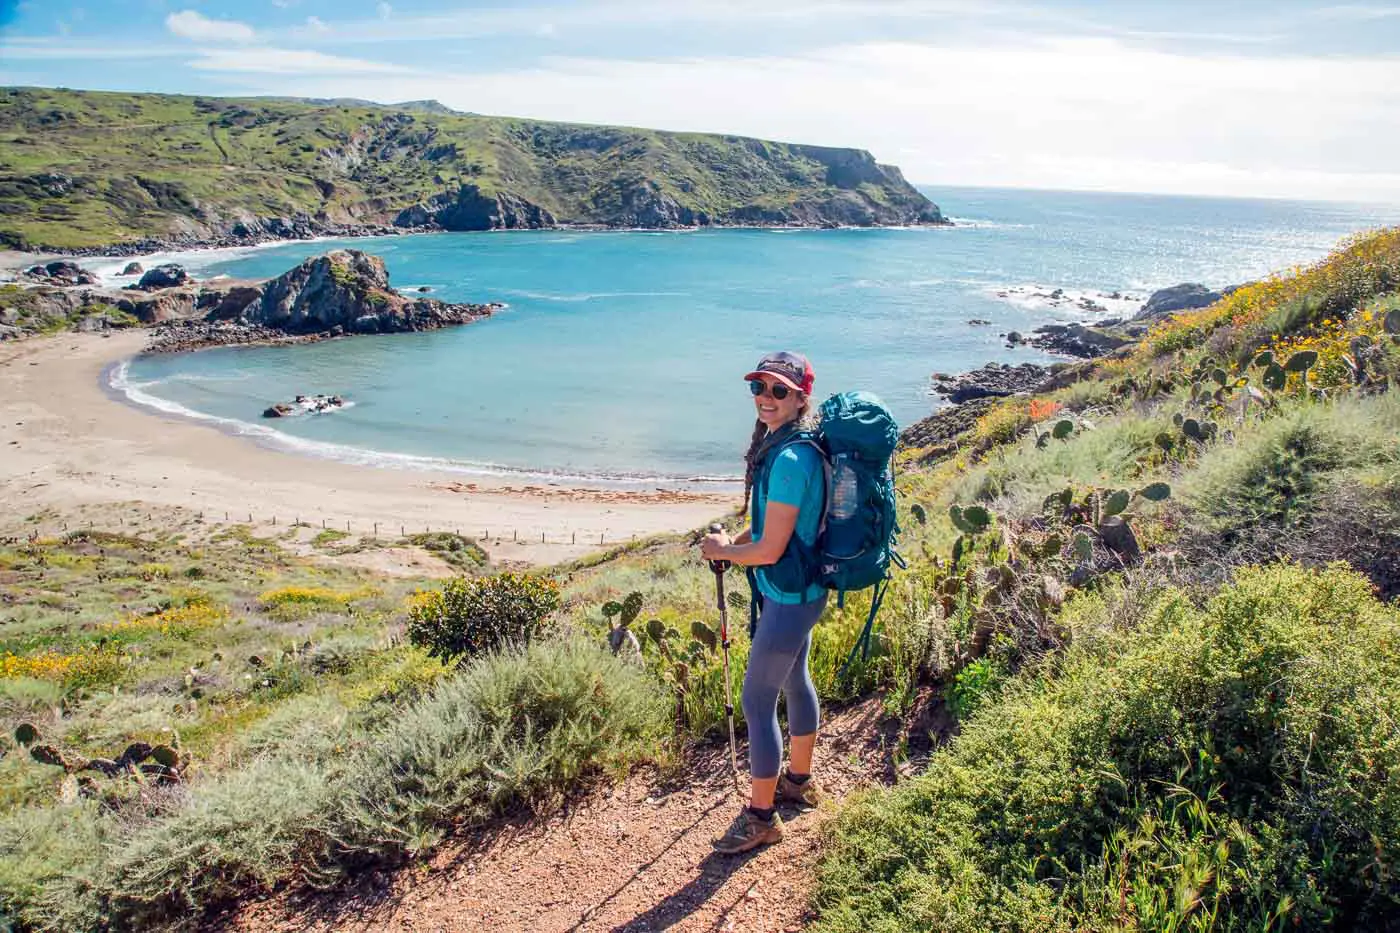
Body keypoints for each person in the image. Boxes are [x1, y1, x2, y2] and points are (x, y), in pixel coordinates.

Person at [701, 350, 828, 855]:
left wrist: (723, 552)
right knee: (796, 681)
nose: (765, 398)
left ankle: (761, 818)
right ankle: (798, 782)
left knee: (757, 700)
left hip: (791, 595)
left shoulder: (792, 458)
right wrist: (737, 539)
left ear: (801, 398)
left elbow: (770, 549)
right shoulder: (788, 444)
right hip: (800, 588)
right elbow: (772, 528)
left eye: (778, 390)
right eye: (759, 387)